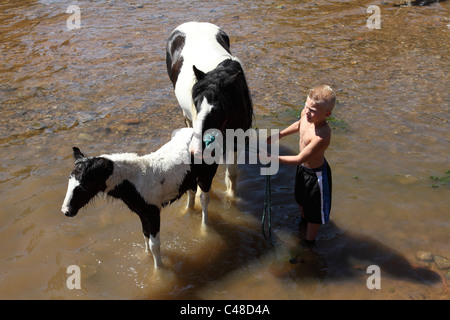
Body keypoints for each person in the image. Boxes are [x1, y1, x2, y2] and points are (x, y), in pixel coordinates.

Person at [267, 85, 336, 246]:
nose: (307, 112)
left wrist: (271, 158)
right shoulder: (305, 115)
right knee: (301, 200)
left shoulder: (323, 135)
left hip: (316, 176)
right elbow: (299, 125)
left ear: (327, 114)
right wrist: (280, 135)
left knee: (315, 213)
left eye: (312, 110)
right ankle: (302, 223)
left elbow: (298, 158)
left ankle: (309, 242)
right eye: (306, 106)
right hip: (302, 170)